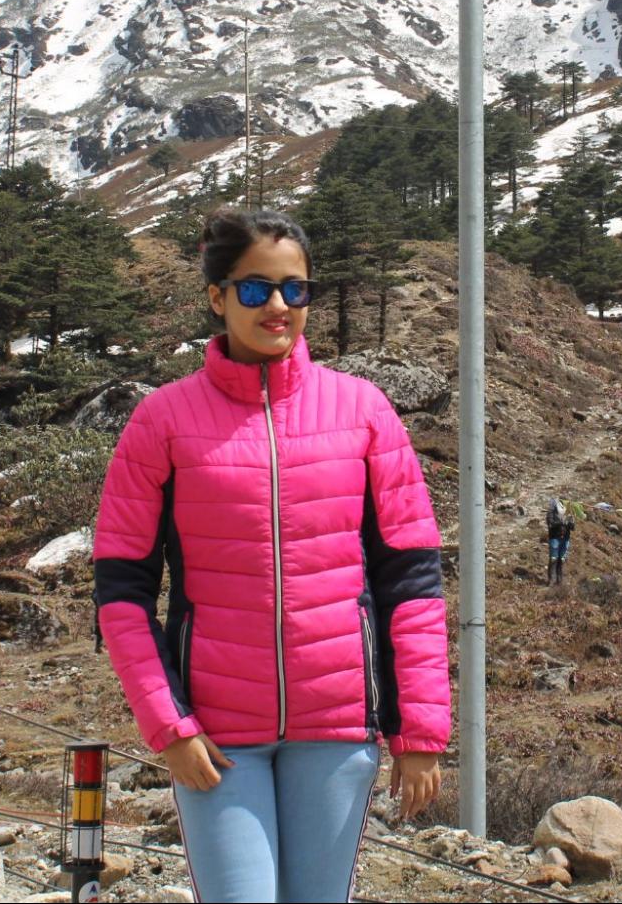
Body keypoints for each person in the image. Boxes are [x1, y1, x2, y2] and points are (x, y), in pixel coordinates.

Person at [94, 208, 449, 904]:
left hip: (339, 726)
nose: (278, 305)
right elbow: (121, 592)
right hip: (217, 737)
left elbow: (410, 581)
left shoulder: (365, 410)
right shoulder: (161, 420)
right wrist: (167, 726)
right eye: (255, 289)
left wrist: (421, 729)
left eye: (295, 288)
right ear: (216, 296)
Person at [545, 497, 575, 586]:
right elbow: (550, 524)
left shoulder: (568, 513)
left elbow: (573, 527)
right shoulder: (551, 512)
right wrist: (561, 522)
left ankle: (559, 580)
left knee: (561, 559)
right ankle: (551, 580)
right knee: (553, 558)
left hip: (565, 539)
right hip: (554, 538)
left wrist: (569, 523)